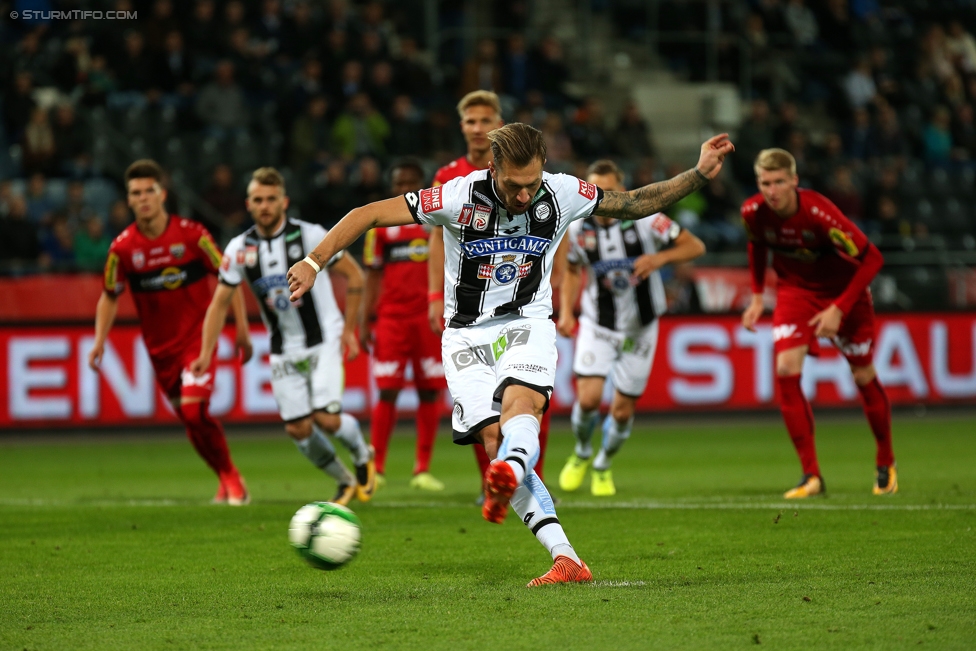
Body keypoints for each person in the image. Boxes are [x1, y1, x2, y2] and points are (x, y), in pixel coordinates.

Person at [287, 123, 733, 586]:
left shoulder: (562, 192)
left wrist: (698, 174)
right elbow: (368, 214)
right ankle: (566, 558)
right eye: (514, 185)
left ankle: (509, 471)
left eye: (532, 184)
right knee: (494, 441)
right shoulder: (457, 196)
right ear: (492, 168)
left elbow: (636, 202)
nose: (524, 196)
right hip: (464, 337)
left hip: (527, 324)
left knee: (525, 406)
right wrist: (314, 261)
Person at [191, 167, 376, 506]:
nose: (264, 206)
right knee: (297, 429)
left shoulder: (310, 236)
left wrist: (348, 330)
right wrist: (206, 353)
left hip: (324, 339)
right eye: (258, 200)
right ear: (248, 204)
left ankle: (363, 455)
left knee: (325, 417)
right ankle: (345, 480)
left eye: (271, 199)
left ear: (284, 202)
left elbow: (355, 277)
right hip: (282, 349)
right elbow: (219, 303)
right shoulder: (238, 249)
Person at [88, 160, 253, 504]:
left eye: (150, 190)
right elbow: (109, 296)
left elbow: (230, 278)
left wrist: (241, 328)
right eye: (136, 193)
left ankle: (233, 480)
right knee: (191, 422)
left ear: (162, 195)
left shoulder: (193, 236)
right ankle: (225, 475)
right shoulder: (122, 249)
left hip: (197, 340)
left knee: (194, 410)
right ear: (129, 200)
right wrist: (99, 340)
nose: (144, 198)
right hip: (159, 349)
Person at [741, 148, 897, 499]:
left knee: (862, 374)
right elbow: (757, 246)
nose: (772, 190)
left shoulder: (818, 213)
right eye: (765, 183)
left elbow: (873, 259)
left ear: (794, 181)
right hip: (796, 292)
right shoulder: (752, 212)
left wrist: (839, 308)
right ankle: (811, 475)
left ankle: (886, 462)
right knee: (785, 369)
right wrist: (755, 296)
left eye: (780, 181)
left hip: (845, 293)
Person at [428, 90, 554, 500]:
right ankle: (499, 474)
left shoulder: (534, 179)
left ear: (498, 124)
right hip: (470, 315)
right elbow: (436, 237)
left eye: (487, 120)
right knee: (481, 408)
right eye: (471, 121)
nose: (479, 128)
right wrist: (434, 294)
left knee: (526, 398)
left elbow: (556, 233)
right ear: (462, 126)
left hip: (522, 308)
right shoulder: (451, 179)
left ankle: (524, 470)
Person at [557, 160, 706, 496]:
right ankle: (582, 452)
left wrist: (659, 259)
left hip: (641, 327)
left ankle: (603, 464)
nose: (602, 197)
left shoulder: (648, 219)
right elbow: (571, 270)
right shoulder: (579, 228)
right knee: (589, 399)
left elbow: (695, 246)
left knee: (622, 412)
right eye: (596, 191)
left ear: (622, 192)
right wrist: (566, 311)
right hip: (599, 324)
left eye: (609, 190)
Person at [361, 159, 446, 491]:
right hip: (392, 318)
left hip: (428, 317)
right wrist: (365, 319)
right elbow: (371, 273)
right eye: (398, 184)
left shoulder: (437, 222)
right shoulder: (380, 227)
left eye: (410, 183)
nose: (404, 189)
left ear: (421, 186)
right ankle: (377, 467)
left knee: (429, 390)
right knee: (387, 390)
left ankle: (421, 468)